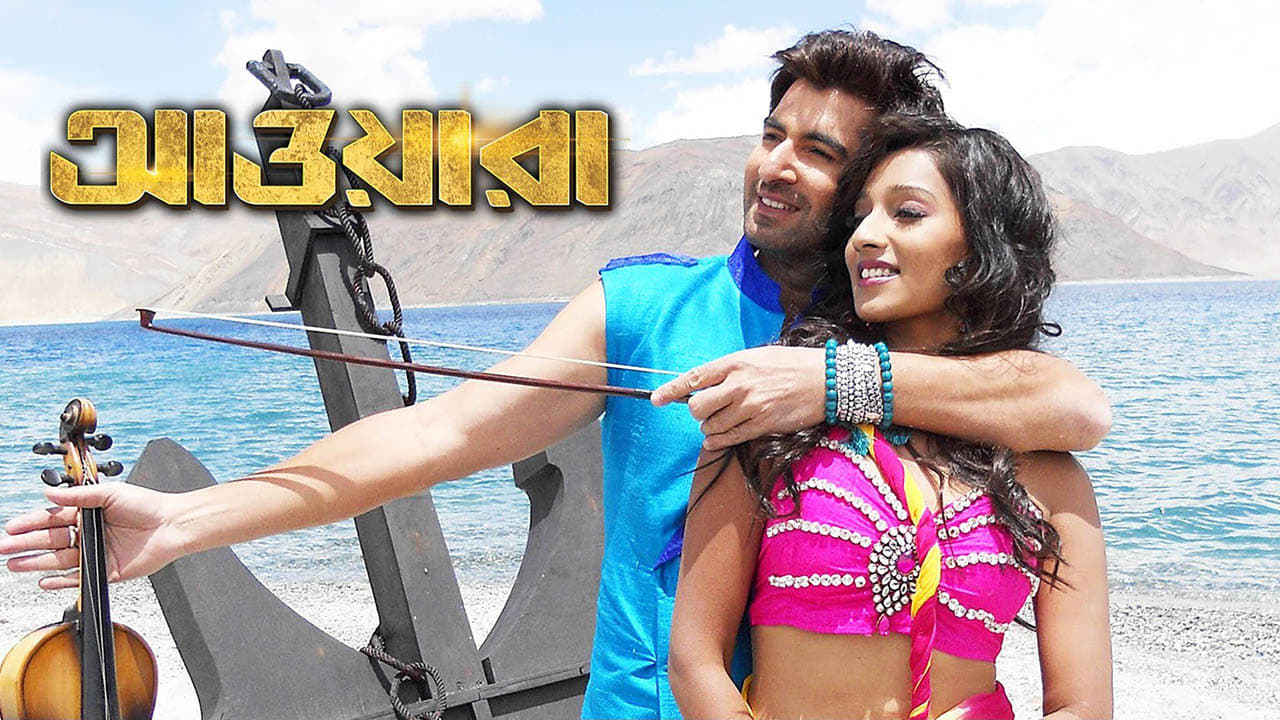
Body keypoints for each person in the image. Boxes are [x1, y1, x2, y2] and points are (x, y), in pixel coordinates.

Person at [0, 30, 1110, 719]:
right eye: (771, 134)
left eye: (819, 153)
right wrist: (186, 521)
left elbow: (1071, 406)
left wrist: (828, 387)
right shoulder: (645, 309)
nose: (775, 165)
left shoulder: (898, 336)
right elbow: (431, 438)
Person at [668, 114, 1112, 719]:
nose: (865, 237)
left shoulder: (1048, 477)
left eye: (906, 213)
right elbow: (695, 659)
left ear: (980, 246)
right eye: (859, 218)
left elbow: (1083, 707)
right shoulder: (771, 424)